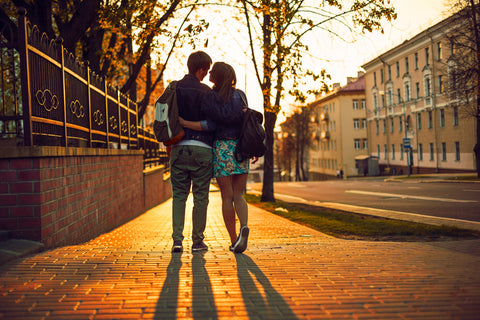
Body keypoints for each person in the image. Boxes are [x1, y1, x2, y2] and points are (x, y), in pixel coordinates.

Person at [180, 62, 257, 253]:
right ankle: (244, 226)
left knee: (226, 197)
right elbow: (246, 122)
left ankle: (234, 240)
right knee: (239, 194)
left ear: (218, 76)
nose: (210, 73)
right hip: (241, 149)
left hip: (222, 147)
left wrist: (184, 122)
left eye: (213, 71)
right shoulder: (240, 95)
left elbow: (210, 124)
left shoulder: (210, 96)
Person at [170, 51, 216, 253]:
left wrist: (181, 123)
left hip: (178, 148)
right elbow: (210, 124)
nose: (207, 74)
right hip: (203, 150)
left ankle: (177, 241)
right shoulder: (207, 92)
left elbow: (167, 117)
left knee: (179, 196)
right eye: (206, 69)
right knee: (201, 197)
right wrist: (192, 124)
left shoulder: (174, 88)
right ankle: (197, 241)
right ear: (201, 69)